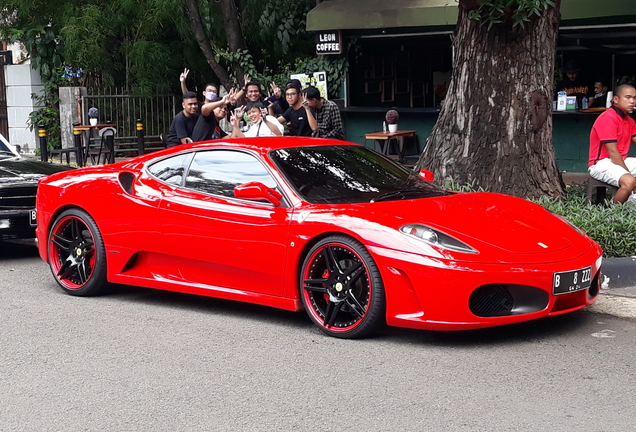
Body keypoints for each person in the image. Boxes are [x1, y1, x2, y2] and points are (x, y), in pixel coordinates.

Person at [588, 84, 636, 204]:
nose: (632, 101)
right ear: (616, 99)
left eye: (634, 98)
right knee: (629, 181)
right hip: (600, 163)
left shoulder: (629, 121)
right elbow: (613, 152)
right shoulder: (608, 118)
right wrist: (628, 173)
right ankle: (613, 215)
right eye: (628, 97)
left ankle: (630, 206)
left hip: (621, 160)